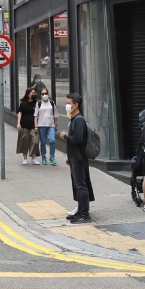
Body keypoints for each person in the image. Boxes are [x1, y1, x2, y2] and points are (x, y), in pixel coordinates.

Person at [59, 94, 94, 224]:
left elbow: (78, 139)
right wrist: (69, 156)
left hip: (79, 158)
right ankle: (80, 211)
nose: (67, 105)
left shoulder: (79, 120)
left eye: (69, 103)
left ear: (76, 105)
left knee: (81, 186)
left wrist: (65, 137)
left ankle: (85, 214)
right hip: (74, 157)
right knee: (77, 185)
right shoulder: (74, 119)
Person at [16, 88, 40, 164]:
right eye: (32, 93)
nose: (33, 94)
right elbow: (20, 113)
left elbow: (36, 115)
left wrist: (36, 126)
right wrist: (18, 123)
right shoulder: (23, 103)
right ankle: (25, 158)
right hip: (24, 125)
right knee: (24, 141)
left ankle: (34, 158)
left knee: (35, 141)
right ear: (28, 94)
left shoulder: (36, 103)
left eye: (34, 93)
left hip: (33, 126)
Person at [35, 89, 57, 165]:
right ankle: (43, 157)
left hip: (51, 125)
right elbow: (35, 115)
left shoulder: (52, 103)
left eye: (46, 93)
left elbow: (55, 114)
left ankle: (52, 157)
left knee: (52, 140)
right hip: (41, 125)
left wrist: (56, 124)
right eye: (42, 94)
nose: (44, 95)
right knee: (43, 142)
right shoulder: (39, 103)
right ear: (40, 95)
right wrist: (36, 126)